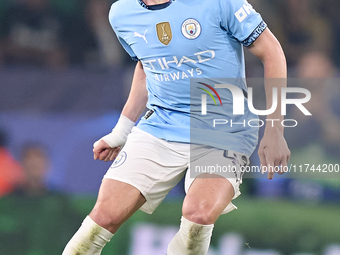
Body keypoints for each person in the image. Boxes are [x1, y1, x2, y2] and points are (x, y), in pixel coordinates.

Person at [63, 0, 290, 254]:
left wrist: (275, 129)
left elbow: (271, 51)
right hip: (160, 124)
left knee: (199, 215)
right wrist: (121, 131)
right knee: (103, 217)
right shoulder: (121, 13)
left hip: (223, 127)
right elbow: (146, 67)